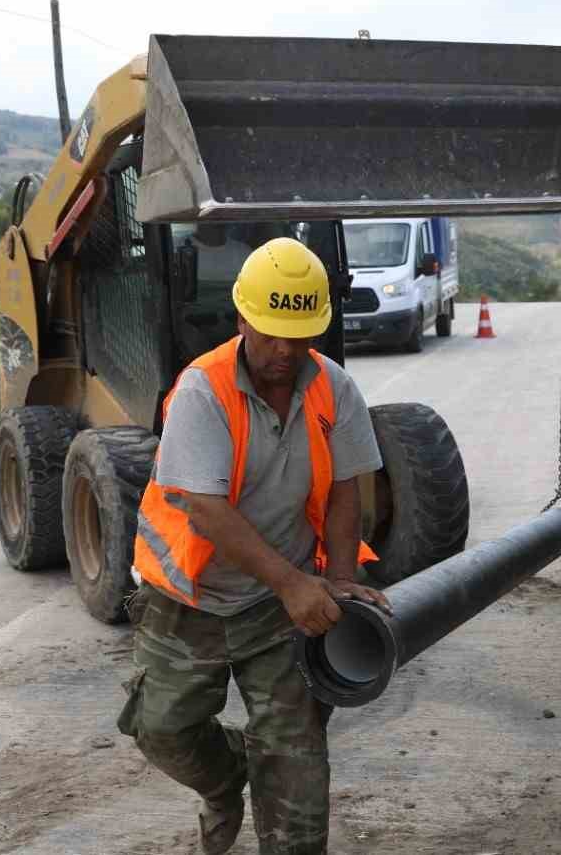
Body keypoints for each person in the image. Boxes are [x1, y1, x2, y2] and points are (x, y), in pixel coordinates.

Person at [119, 236, 390, 855]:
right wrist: (294, 586)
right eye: (270, 333)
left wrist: (339, 577)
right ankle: (225, 780)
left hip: (279, 604)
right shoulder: (202, 390)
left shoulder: (335, 388)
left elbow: (350, 488)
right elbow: (207, 512)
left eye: (299, 334)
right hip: (191, 600)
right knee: (163, 730)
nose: (285, 350)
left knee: (294, 757)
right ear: (241, 318)